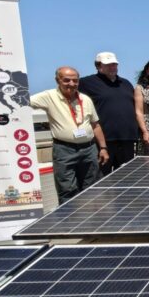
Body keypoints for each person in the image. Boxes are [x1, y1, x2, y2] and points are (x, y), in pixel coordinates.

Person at [31, 67, 108, 201]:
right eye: (66, 80)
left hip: (89, 149)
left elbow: (95, 125)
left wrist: (103, 148)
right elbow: (21, 102)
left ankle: (92, 219)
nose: (71, 84)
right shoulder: (48, 97)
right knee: (67, 189)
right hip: (64, 150)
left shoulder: (85, 99)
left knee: (92, 186)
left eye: (75, 81)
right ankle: (71, 219)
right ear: (57, 80)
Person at [78, 52, 137, 174]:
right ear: (98, 66)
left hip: (127, 139)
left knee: (126, 178)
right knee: (102, 178)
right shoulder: (86, 83)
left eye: (114, 64)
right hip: (103, 141)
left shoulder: (125, 83)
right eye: (108, 65)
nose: (113, 67)